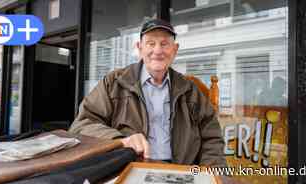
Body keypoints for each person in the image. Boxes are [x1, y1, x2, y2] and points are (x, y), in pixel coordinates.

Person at [69, 19, 227, 167]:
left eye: (164, 44)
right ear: (139, 48)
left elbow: (211, 138)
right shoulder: (114, 83)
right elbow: (82, 125)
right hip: (129, 167)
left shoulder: (190, 90)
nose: (157, 50)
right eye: (151, 43)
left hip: (181, 171)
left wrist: (212, 174)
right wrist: (121, 141)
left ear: (175, 49)